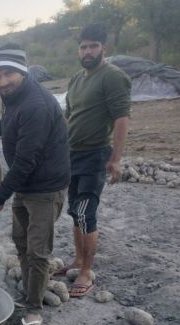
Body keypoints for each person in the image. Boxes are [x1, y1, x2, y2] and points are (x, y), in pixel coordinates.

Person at [0, 44, 70, 325]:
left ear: (23, 72)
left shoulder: (37, 104)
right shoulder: (12, 97)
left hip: (44, 187)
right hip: (26, 185)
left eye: (9, 74)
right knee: (21, 241)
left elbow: (25, 162)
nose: (3, 81)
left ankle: (34, 310)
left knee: (38, 250)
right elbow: (10, 122)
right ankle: (32, 289)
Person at [57, 24, 131, 297]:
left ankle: (86, 271)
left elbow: (122, 118)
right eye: (83, 46)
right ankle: (77, 260)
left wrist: (115, 159)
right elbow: (69, 117)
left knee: (86, 212)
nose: (87, 51)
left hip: (95, 153)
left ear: (103, 48)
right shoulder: (76, 79)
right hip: (71, 154)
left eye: (93, 46)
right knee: (75, 211)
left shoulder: (112, 76)